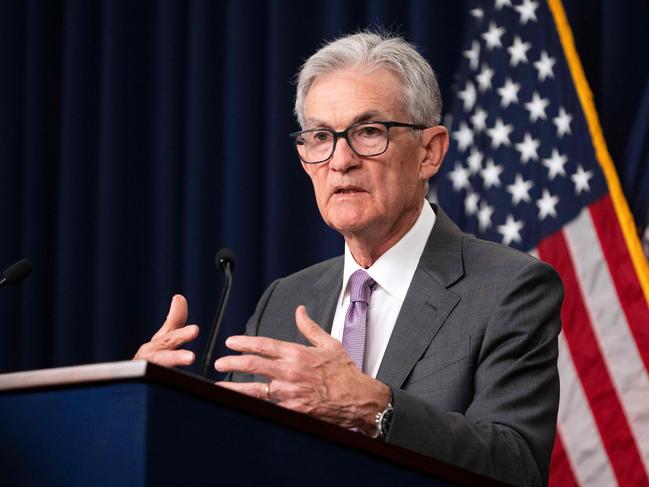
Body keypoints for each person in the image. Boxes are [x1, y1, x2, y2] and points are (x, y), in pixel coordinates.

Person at [134, 31, 563, 487]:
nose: (340, 160)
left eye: (369, 132)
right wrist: (154, 408)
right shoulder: (283, 299)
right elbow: (237, 460)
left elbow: (517, 467)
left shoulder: (508, 288)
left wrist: (374, 407)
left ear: (429, 152)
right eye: (320, 136)